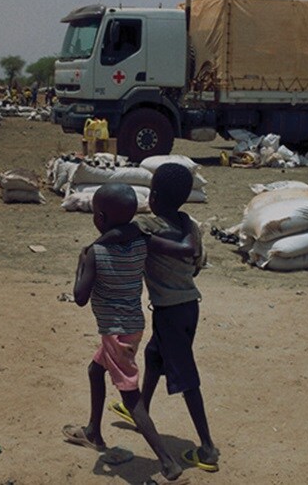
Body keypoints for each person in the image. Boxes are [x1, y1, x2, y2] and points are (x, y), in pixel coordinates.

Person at [63, 183, 193, 485]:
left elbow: (80, 297)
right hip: (132, 326)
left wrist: (80, 265)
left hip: (115, 332)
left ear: (100, 218)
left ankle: (169, 465)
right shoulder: (139, 241)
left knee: (131, 399)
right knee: (96, 370)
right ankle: (93, 431)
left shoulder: (96, 253)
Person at [104, 163, 221, 474]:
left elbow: (119, 233)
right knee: (154, 355)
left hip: (170, 312)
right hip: (188, 307)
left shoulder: (147, 227)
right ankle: (142, 409)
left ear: (153, 196)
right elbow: (197, 263)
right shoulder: (188, 224)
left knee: (187, 380)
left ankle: (208, 447)